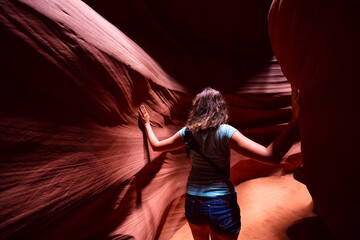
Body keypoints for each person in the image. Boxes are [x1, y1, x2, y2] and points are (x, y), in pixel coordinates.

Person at [139, 87, 300, 240]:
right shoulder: (226, 132)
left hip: (194, 202)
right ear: (219, 109)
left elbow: (156, 146)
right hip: (221, 203)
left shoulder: (188, 132)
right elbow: (271, 156)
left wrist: (147, 125)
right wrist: (294, 120)